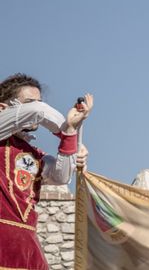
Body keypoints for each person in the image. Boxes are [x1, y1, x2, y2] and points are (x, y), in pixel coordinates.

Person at [0, 73, 92, 270]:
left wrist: (70, 135)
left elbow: (61, 176)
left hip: (28, 247)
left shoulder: (34, 155)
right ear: (3, 108)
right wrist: (65, 126)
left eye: (38, 101)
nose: (37, 105)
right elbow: (38, 111)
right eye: (28, 102)